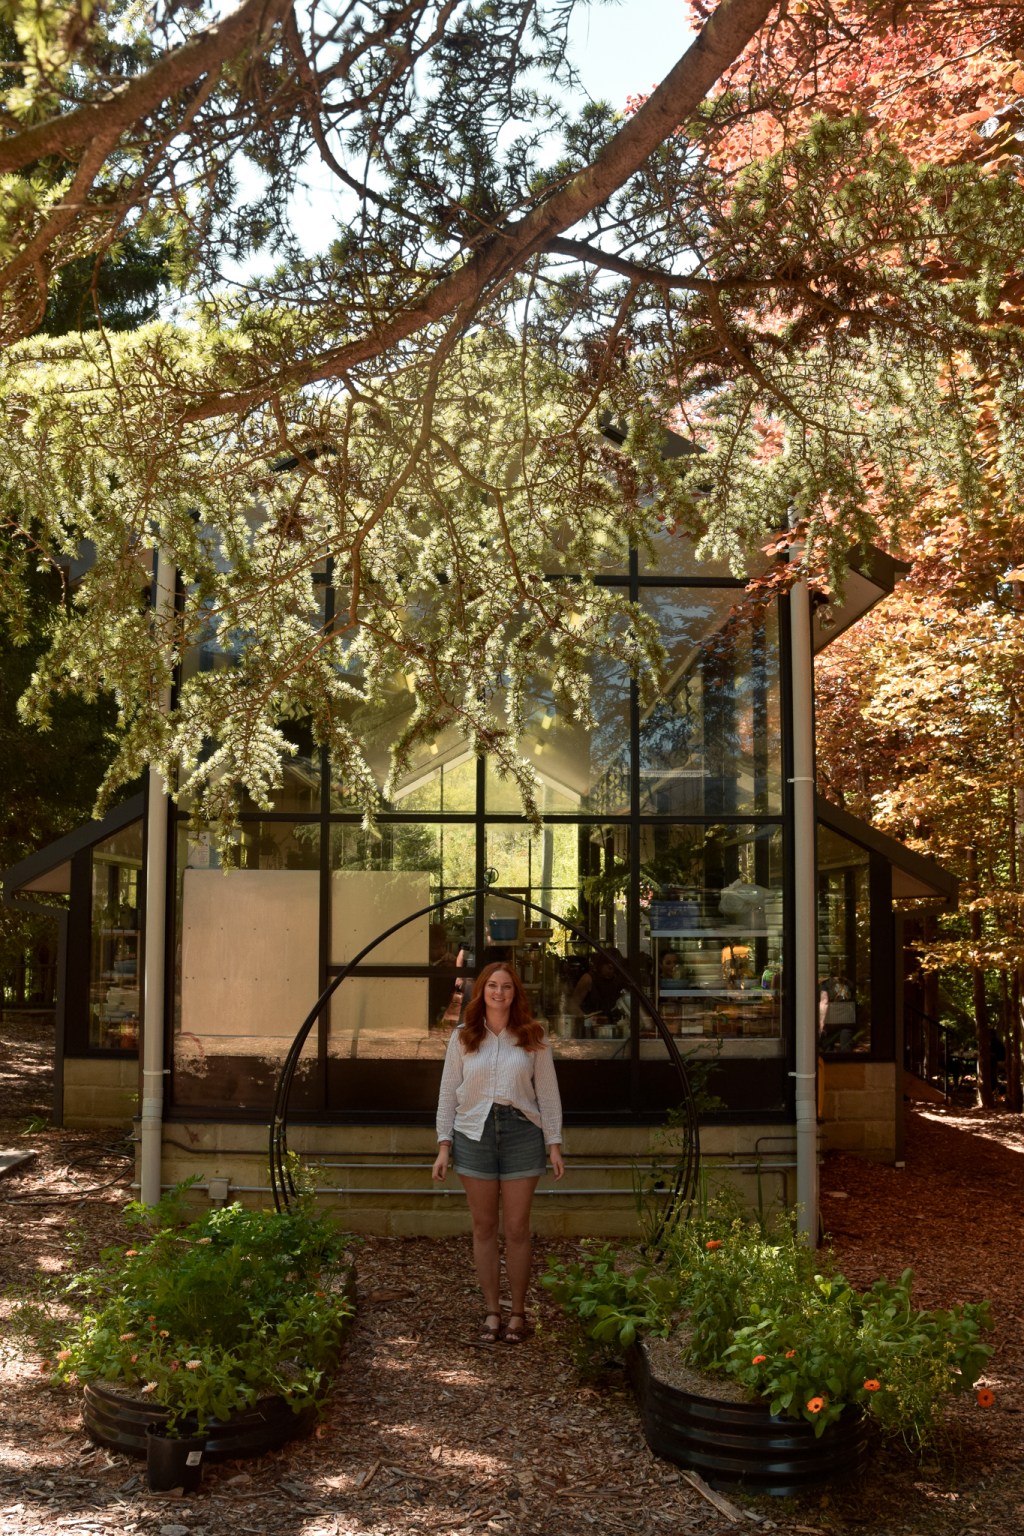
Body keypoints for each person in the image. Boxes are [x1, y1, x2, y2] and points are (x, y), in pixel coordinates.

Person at [432, 962, 565, 1344]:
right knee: (484, 1226)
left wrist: (554, 1144)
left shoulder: (533, 1036)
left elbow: (548, 1094)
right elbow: (447, 1093)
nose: (499, 992)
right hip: (473, 1134)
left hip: (522, 1133)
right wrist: (444, 1145)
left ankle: (518, 1313)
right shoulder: (463, 1036)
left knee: (518, 1228)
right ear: (482, 991)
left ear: (515, 993)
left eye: (506, 986)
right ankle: (492, 1311)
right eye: (492, 985)